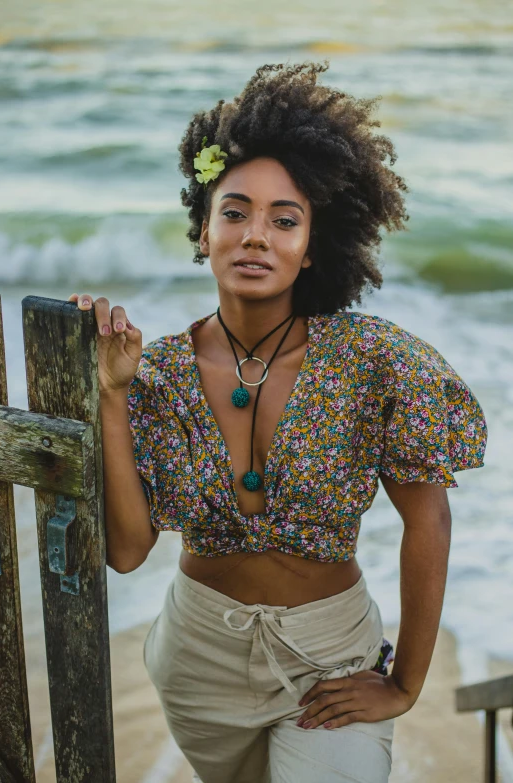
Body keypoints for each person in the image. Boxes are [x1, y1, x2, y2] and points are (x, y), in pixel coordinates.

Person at [68, 61, 488, 783]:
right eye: (234, 212)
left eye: (284, 219)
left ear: (314, 244)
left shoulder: (374, 363)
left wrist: (404, 681)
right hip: (198, 663)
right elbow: (130, 550)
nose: (256, 235)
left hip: (328, 665)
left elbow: (430, 522)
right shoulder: (157, 373)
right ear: (204, 229)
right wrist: (111, 393)